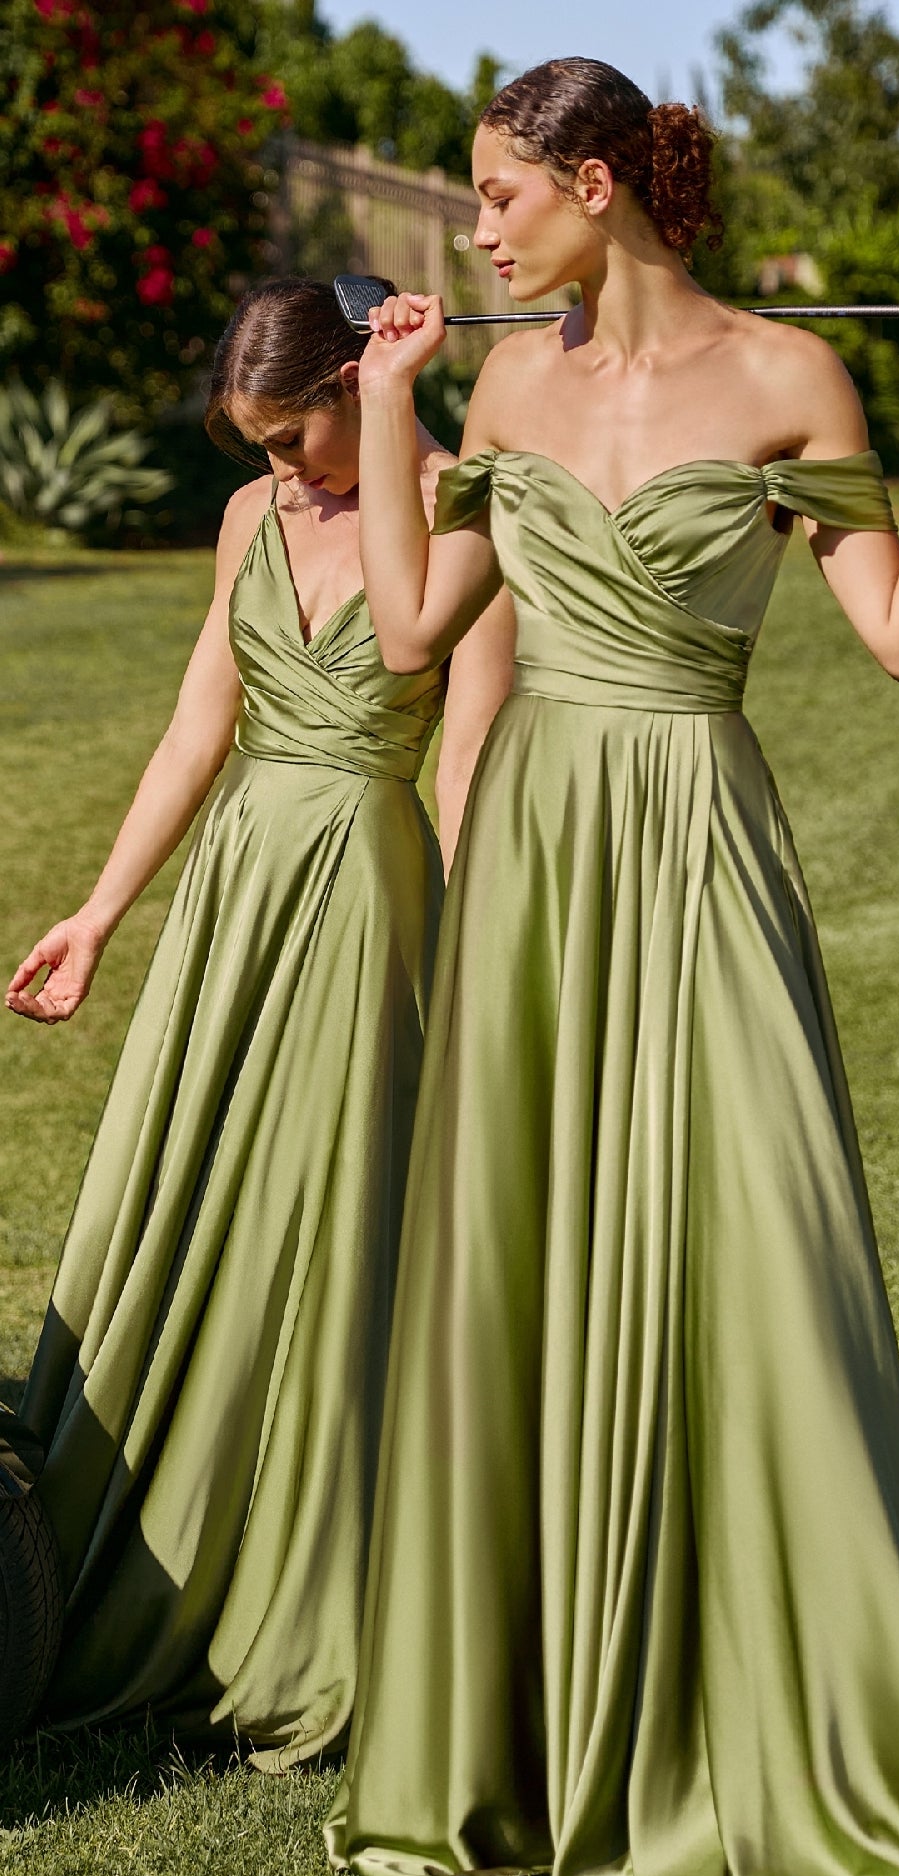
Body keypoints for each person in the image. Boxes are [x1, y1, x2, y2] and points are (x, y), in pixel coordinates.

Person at [325, 60, 899, 1876]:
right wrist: (386, 409)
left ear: (596, 189)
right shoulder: (508, 384)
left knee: (760, 1252)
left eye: (501, 193)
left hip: (699, 845)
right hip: (536, 862)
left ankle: (784, 1710)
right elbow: (410, 636)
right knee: (524, 1265)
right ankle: (530, 1737)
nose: (480, 228)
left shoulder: (788, 378)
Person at [5, 277, 512, 1768]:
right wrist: (101, 911)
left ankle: (301, 1582)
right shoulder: (248, 523)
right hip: (235, 893)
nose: (284, 472)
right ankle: (108, 1554)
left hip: (365, 894)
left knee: (322, 1227)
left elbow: (469, 751)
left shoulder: (465, 509)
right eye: (258, 444)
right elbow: (194, 728)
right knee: (180, 1199)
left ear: (361, 381)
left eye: (295, 437)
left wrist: (482, 947)